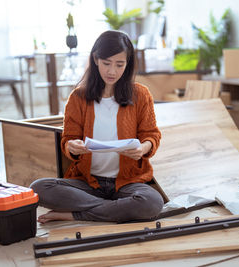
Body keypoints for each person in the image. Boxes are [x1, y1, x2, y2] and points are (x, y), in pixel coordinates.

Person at [30, 30, 163, 223]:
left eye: (120, 65)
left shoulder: (141, 95)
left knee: (152, 202)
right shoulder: (78, 98)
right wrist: (72, 147)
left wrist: (143, 149)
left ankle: (77, 214)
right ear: (95, 59)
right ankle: (111, 210)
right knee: (38, 188)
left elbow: (151, 134)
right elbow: (67, 140)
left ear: (128, 64)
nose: (112, 71)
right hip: (88, 183)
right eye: (106, 63)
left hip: (127, 184)